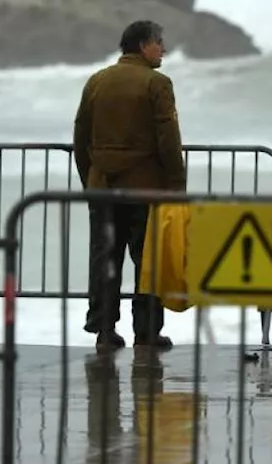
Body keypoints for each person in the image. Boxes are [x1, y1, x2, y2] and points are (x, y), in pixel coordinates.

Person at [74, 20, 186, 349]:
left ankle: (104, 331)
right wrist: (177, 186)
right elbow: (169, 140)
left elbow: (81, 136)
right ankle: (147, 331)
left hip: (103, 187)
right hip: (145, 189)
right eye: (158, 43)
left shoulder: (97, 81)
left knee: (105, 258)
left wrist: (90, 179)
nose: (163, 49)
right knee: (147, 261)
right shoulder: (158, 83)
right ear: (142, 46)